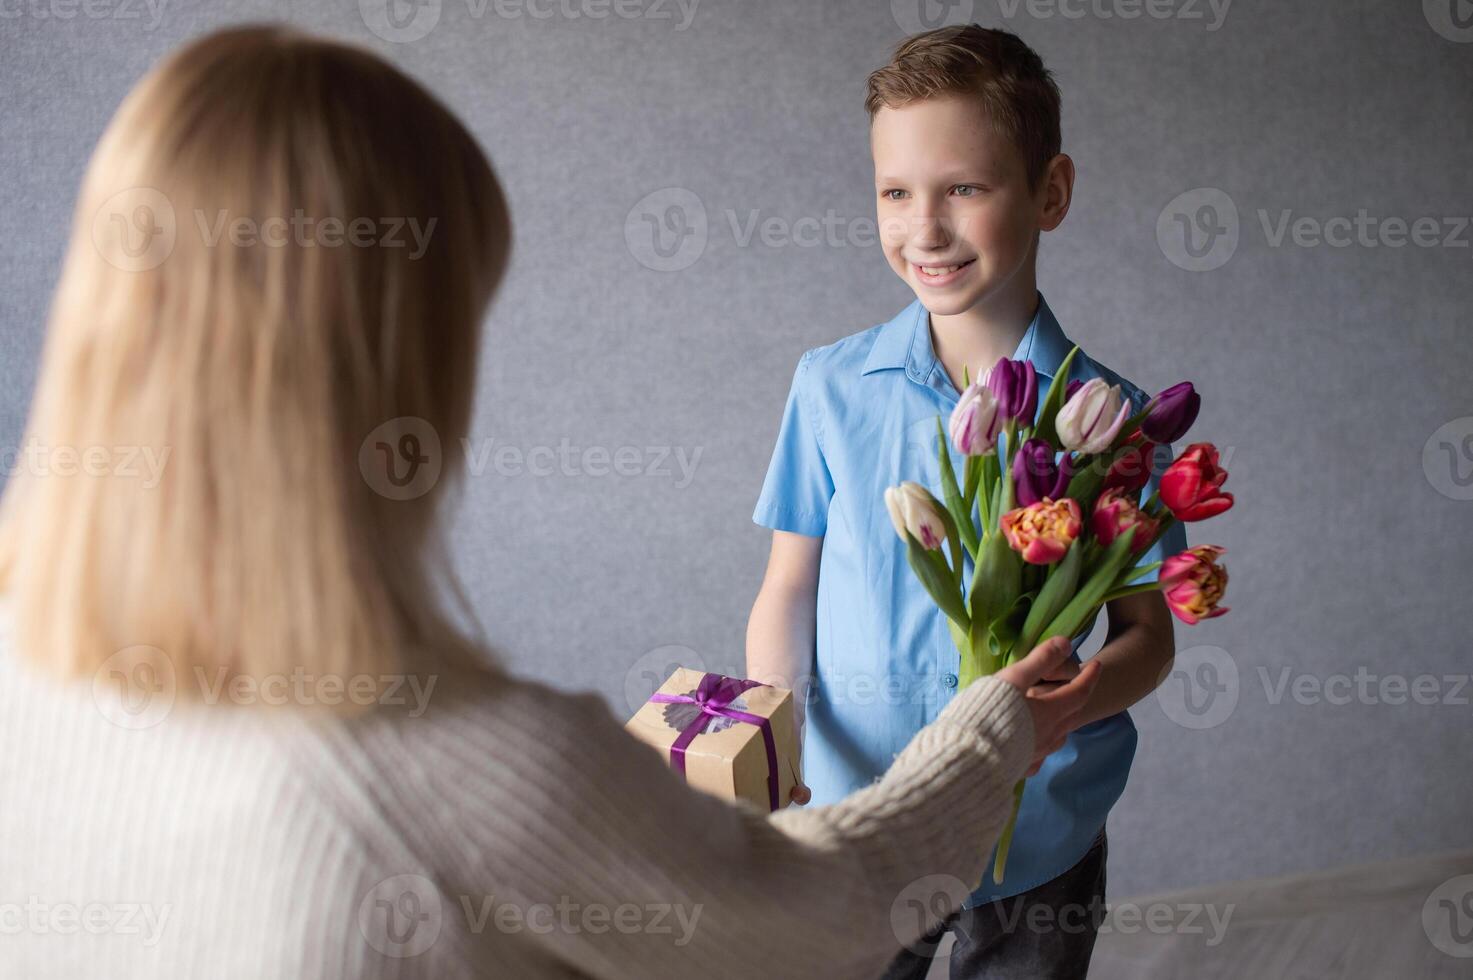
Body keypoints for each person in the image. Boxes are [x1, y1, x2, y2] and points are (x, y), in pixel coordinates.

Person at [0, 25, 1101, 979]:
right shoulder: (487, 768)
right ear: (401, 369)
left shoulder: (24, 670)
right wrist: (989, 730)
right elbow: (819, 921)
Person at [746, 24, 1190, 980]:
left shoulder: (1112, 422)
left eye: (964, 189)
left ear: (1051, 192)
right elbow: (789, 585)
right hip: (864, 811)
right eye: (895, 193)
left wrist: (1074, 707)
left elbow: (1147, 634)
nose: (924, 228)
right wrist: (775, 760)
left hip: (1038, 831)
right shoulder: (830, 386)